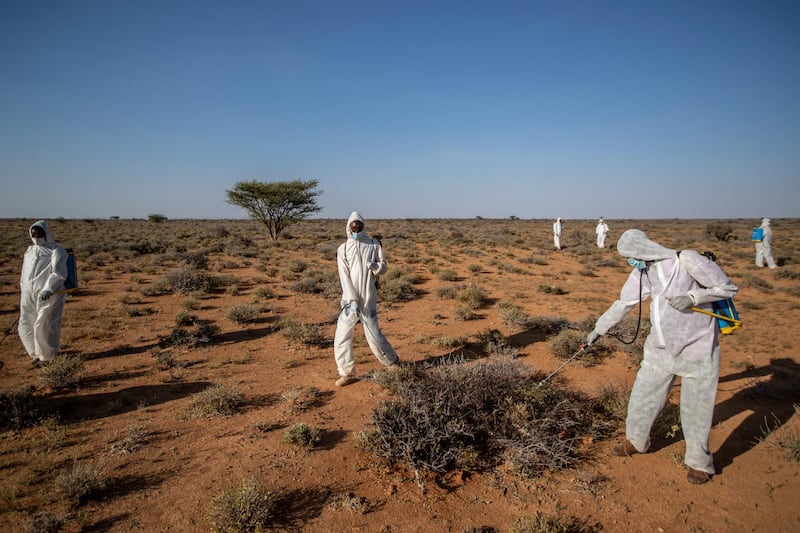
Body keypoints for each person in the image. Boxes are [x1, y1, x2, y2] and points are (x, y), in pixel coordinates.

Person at [585, 229, 737, 484]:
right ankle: (635, 441)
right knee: (642, 397)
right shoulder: (642, 272)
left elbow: (727, 288)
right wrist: (598, 329)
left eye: (631, 255)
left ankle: (699, 464)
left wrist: (693, 297)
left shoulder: (687, 259)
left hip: (697, 349)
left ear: (643, 250)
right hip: (659, 349)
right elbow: (623, 303)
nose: (630, 261)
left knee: (696, 409)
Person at [333, 211, 400, 386]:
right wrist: (351, 299)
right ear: (348, 227)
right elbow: (344, 276)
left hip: (368, 295)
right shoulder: (343, 249)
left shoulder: (373, 244)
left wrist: (376, 267)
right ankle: (346, 373)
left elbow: (384, 267)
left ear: (363, 226)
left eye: (358, 226)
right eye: (353, 226)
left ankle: (391, 362)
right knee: (342, 335)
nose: (355, 229)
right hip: (350, 299)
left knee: (373, 332)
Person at [19, 220, 69, 365]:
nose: (36, 236)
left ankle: (47, 356)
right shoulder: (30, 251)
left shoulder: (56, 250)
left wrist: (49, 288)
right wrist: (24, 287)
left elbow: (58, 273)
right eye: (33, 233)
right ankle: (35, 353)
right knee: (27, 321)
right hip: (28, 293)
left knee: (45, 324)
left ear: (46, 234)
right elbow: (25, 273)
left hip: (50, 294)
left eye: (39, 233)